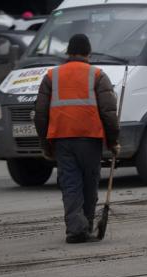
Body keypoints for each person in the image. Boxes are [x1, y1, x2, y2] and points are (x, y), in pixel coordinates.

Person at [34, 34, 120, 243]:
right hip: (90, 139)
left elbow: (40, 113)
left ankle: (75, 229)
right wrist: (113, 141)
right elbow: (108, 112)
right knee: (89, 184)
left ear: (68, 52)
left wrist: (45, 143)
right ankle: (86, 225)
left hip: (63, 139)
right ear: (88, 52)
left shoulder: (51, 76)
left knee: (70, 184)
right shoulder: (98, 75)